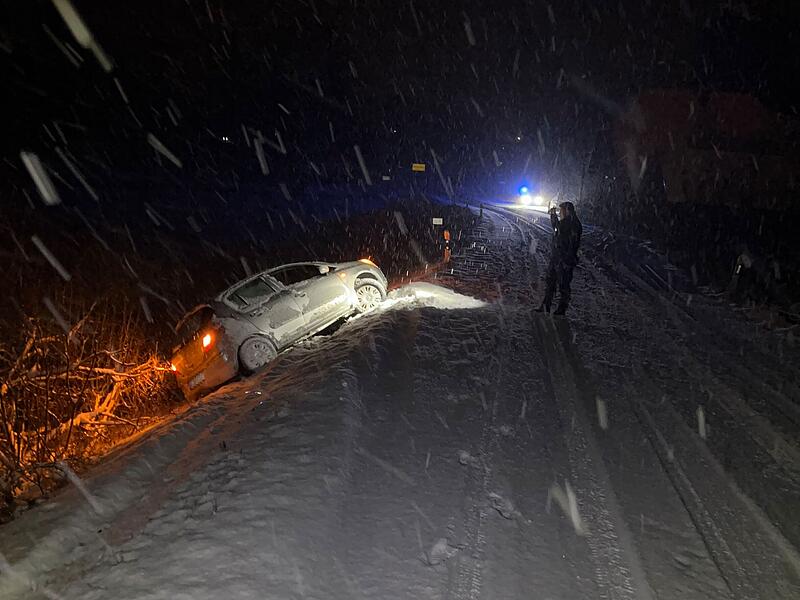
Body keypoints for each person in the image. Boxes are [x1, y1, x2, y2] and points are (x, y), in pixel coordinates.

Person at [535, 201, 582, 315]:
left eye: (561, 211)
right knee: (550, 281)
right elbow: (557, 228)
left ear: (567, 211)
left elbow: (572, 243)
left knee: (563, 284)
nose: (560, 213)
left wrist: (568, 258)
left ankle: (561, 309)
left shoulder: (573, 224)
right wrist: (553, 215)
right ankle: (546, 304)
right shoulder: (566, 222)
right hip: (557, 257)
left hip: (565, 259)